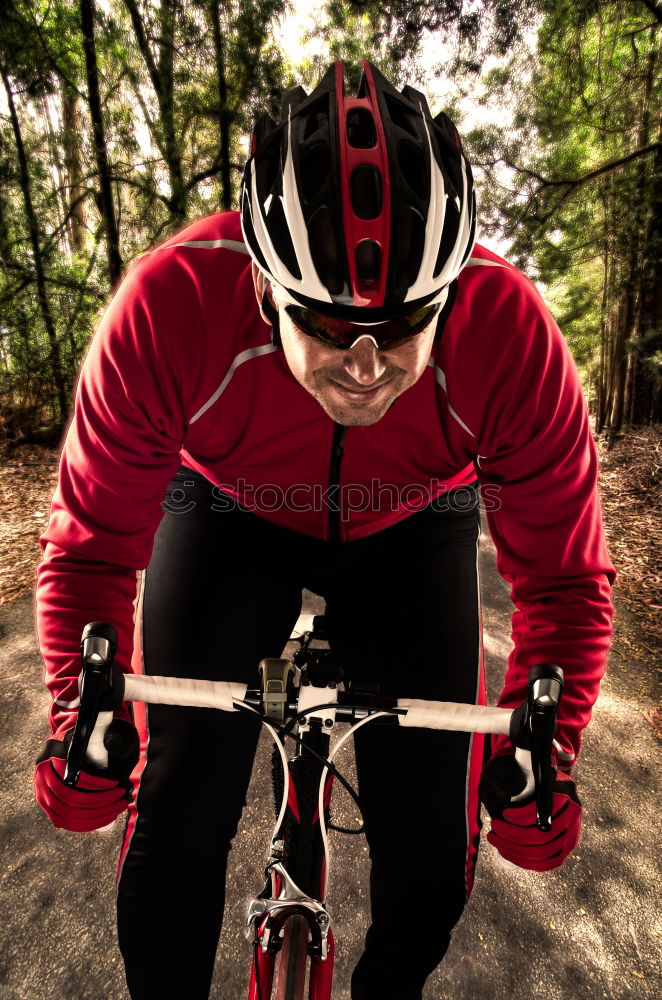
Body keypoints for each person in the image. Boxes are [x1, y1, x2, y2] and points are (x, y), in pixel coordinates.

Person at [33, 61, 614, 1000]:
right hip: (225, 512)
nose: (365, 367)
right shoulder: (169, 304)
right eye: (327, 324)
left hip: (416, 522)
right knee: (174, 815)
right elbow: (94, 549)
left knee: (432, 857)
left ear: (454, 290)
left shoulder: (510, 333)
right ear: (262, 284)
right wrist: (81, 722)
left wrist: (548, 748)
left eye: (406, 322)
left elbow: (562, 581)